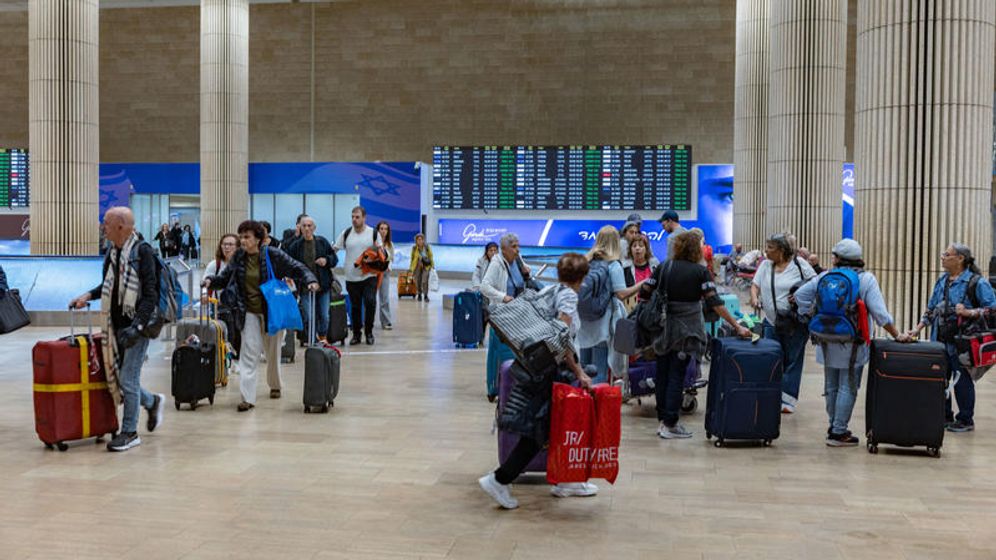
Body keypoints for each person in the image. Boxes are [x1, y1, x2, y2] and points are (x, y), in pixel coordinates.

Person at [479, 252, 597, 509]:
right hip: (551, 373)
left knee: (554, 428)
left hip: (536, 368)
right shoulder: (568, 297)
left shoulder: (549, 290)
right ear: (582, 278)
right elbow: (561, 337)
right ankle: (500, 479)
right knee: (540, 430)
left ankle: (566, 479)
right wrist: (579, 372)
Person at [69, 207, 165, 452]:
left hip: (138, 326)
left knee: (128, 379)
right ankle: (152, 402)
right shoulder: (113, 252)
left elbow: (150, 294)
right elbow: (108, 286)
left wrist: (137, 327)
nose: (103, 227)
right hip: (116, 327)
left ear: (120, 226)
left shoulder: (143, 252)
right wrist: (87, 295)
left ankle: (130, 432)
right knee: (121, 377)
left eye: (106, 223)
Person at [795, 239, 907, 446]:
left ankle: (833, 426)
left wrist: (809, 314)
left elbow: (800, 295)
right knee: (848, 386)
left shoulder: (825, 276)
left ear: (837, 258)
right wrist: (896, 334)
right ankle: (839, 432)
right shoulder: (866, 279)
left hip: (826, 339)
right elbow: (880, 314)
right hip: (854, 341)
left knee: (831, 384)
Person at [202, 220, 319, 411]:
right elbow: (224, 278)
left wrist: (310, 279)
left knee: (272, 352)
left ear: (258, 239)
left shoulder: (272, 254)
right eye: (241, 237)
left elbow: (297, 267)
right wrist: (210, 281)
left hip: (271, 310)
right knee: (249, 352)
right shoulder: (239, 257)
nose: (242, 241)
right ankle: (247, 398)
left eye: (247, 237)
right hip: (248, 311)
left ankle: (275, 385)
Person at [651, 231, 751, 439]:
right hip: (685, 332)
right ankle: (670, 424)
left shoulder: (664, 267)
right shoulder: (700, 272)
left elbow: (645, 291)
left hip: (662, 329)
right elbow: (714, 302)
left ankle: (662, 420)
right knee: (677, 375)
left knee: (662, 374)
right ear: (696, 250)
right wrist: (736, 326)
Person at [906, 243, 996, 433]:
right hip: (939, 340)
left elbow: (992, 310)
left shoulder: (977, 282)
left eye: (946, 254)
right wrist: (918, 328)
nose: (942, 257)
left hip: (962, 342)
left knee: (962, 379)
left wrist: (969, 312)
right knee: (939, 378)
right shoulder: (942, 280)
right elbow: (932, 309)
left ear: (960, 259)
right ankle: (944, 415)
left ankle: (965, 419)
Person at [750, 233, 817, 413]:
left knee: (793, 360)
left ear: (781, 250)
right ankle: (772, 394)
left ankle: (787, 400)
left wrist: (801, 295)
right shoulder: (765, 265)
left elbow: (815, 284)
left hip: (795, 323)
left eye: (770, 247)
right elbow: (755, 285)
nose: (766, 250)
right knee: (771, 358)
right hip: (771, 321)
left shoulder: (799, 264)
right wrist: (754, 297)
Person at [577, 226, 645, 384]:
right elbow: (621, 294)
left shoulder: (585, 262)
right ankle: (597, 399)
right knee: (599, 370)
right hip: (602, 322)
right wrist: (641, 284)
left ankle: (581, 398)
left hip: (582, 322)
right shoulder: (614, 265)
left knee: (584, 368)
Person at [480, 233, 527, 401]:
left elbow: (523, 282)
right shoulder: (497, 263)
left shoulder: (518, 260)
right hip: (501, 316)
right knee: (500, 353)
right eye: (514, 246)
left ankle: (507, 386)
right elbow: (484, 287)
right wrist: (502, 297)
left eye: (518, 246)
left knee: (511, 352)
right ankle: (496, 388)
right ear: (504, 249)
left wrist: (527, 273)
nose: (517, 249)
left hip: (517, 315)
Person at [333, 206, 381, 346]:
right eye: (352, 217)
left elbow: (381, 251)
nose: (354, 219)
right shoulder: (346, 233)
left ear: (364, 218)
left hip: (369, 275)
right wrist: (325, 258)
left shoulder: (373, 233)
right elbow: (334, 249)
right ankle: (356, 334)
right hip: (351, 277)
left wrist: (375, 257)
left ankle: (369, 332)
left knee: (370, 302)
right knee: (355, 307)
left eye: (357, 217)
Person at [285, 215, 338, 343]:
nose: (307, 228)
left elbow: (334, 259)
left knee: (324, 315)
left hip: (323, 285)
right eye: (304, 226)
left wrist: (326, 260)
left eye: (309, 226)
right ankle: (312, 340)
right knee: (309, 316)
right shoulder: (295, 246)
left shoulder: (322, 242)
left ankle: (323, 336)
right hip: (305, 287)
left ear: (314, 228)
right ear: (300, 228)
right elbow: (289, 263)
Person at [205, 233, 241, 359]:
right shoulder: (215, 265)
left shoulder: (242, 264)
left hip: (239, 308)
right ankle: (225, 362)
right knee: (224, 338)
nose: (227, 247)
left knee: (238, 339)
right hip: (219, 308)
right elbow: (206, 284)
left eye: (230, 244)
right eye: (224, 244)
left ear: (237, 247)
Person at [622, 235, 657, 303]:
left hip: (652, 305)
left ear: (646, 249)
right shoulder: (625, 268)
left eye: (641, 246)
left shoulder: (655, 265)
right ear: (630, 250)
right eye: (634, 246)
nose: (637, 248)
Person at [375, 221, 395, 330]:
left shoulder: (390, 245)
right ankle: (366, 321)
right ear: (378, 230)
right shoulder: (373, 243)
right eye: (381, 228)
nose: (383, 231)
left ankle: (386, 321)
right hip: (373, 273)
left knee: (385, 298)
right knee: (369, 298)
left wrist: (388, 267)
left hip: (385, 273)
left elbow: (391, 259)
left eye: (385, 229)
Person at [409, 233, 435, 302]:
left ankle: (425, 295)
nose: (420, 241)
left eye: (421, 239)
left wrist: (432, 265)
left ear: (423, 240)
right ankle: (419, 294)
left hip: (426, 266)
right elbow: (412, 258)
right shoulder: (414, 248)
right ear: (416, 241)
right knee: (417, 281)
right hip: (417, 266)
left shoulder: (427, 247)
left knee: (424, 281)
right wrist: (411, 268)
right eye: (418, 240)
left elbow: (431, 256)